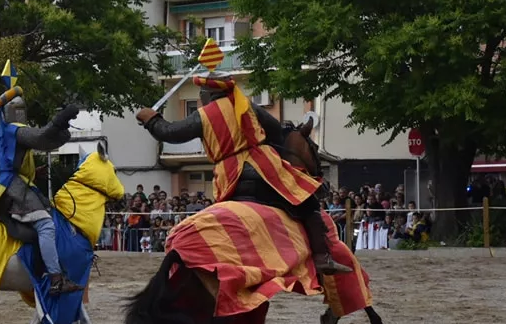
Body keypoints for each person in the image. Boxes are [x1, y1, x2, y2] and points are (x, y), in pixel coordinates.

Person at [135, 69, 350, 276]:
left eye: (201, 95)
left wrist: (151, 119)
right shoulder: (246, 106)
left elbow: (171, 133)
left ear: (208, 94)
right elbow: (276, 131)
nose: (201, 99)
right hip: (266, 172)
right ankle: (322, 257)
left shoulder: (203, 115)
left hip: (230, 180)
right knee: (306, 203)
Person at [0, 84, 83, 296]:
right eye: (20, 110)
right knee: (46, 225)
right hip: (10, 187)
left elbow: (43, 142)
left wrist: (63, 126)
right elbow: (42, 137)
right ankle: (55, 278)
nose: (22, 114)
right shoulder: (13, 130)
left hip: (8, 182)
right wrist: (61, 119)